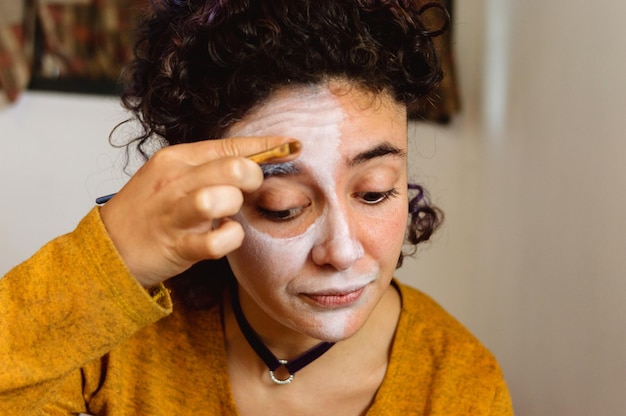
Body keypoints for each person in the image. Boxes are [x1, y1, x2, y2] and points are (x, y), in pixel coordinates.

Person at [0, 0, 514, 414]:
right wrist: (111, 259)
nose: (342, 251)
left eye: (375, 191)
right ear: (213, 201)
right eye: (283, 205)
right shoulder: (113, 352)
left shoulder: (458, 385)